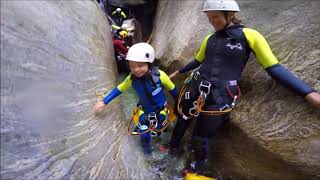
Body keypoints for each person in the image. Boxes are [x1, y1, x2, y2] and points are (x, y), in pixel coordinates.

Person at [168, 0, 320, 174]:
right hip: (196, 87)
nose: (211, 21)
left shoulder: (250, 36)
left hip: (220, 96)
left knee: (199, 138)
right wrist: (179, 71)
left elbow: (274, 68)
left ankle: (195, 170)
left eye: (215, 17)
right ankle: (171, 149)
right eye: (209, 18)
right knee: (182, 119)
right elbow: (198, 60)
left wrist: (308, 93)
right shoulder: (209, 38)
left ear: (230, 15)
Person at [94, 43, 178, 155]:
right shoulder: (131, 79)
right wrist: (104, 101)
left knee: (159, 131)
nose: (136, 70)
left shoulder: (160, 76)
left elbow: (173, 90)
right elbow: (119, 89)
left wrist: (180, 105)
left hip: (161, 110)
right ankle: (148, 156)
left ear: (149, 63)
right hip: (145, 111)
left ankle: (159, 142)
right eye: (132, 66)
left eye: (140, 65)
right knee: (144, 135)